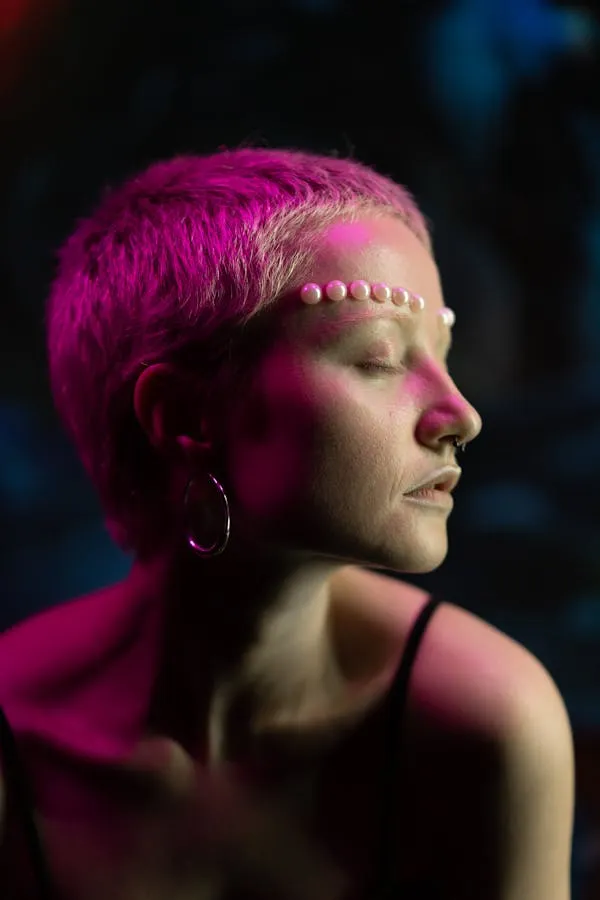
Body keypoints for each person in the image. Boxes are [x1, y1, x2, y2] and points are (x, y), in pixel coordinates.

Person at [0, 147, 575, 899]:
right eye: (379, 358)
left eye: (443, 358)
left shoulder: (487, 722)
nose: (460, 415)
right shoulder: (14, 736)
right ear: (183, 417)